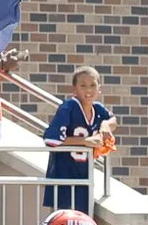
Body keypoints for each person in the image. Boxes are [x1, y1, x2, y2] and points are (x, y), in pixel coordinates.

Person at [44, 65, 114, 212]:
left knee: (83, 220)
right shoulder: (68, 108)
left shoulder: (98, 109)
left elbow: (113, 120)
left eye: (92, 85)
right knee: (60, 220)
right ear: (74, 89)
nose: (88, 90)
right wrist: (84, 141)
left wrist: (106, 125)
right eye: (83, 85)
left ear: (99, 88)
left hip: (84, 176)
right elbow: (51, 139)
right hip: (63, 175)